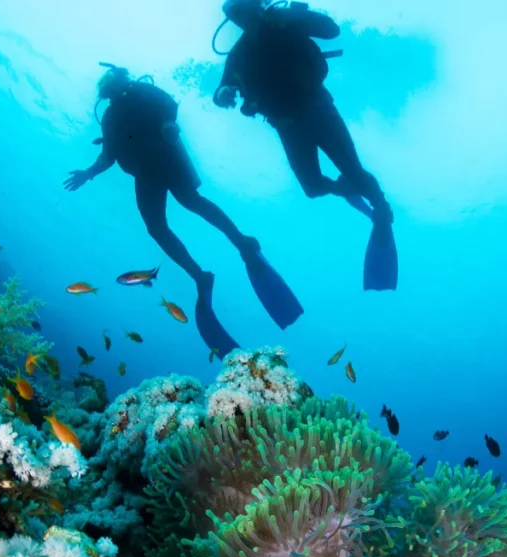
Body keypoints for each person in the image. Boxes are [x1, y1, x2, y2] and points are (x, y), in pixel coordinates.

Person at [64, 64, 302, 355]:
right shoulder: (115, 113)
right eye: (109, 87)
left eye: (111, 85)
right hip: (152, 168)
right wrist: (87, 174)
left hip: (161, 161)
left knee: (182, 210)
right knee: (178, 213)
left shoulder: (138, 93)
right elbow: (108, 156)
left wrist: (165, 123)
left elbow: (167, 108)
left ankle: (222, 258)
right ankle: (224, 256)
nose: (112, 90)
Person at [212, 0, 398, 291]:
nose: (242, 20)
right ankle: (345, 188)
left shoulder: (288, 21)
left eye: (244, 12)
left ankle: (381, 207)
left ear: (258, 7)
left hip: (319, 110)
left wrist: (297, 14)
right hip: (289, 127)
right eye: (236, 16)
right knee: (312, 188)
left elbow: (332, 30)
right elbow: (223, 86)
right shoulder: (239, 53)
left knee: (354, 171)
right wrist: (222, 93)